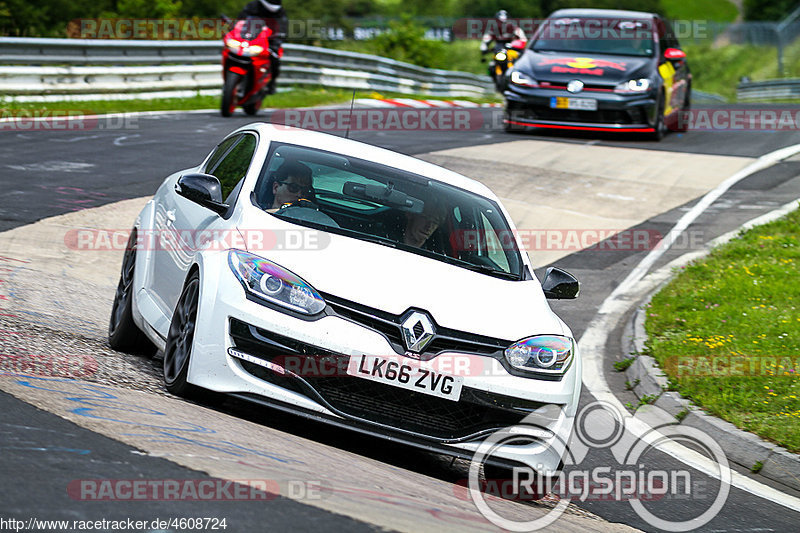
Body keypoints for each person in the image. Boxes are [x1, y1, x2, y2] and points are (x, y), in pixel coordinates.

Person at [238, 0, 288, 94]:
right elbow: (240, 20)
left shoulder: (280, 12)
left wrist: (277, 40)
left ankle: (271, 83)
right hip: (249, 37)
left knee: (275, 58)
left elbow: (283, 27)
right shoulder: (252, 6)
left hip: (269, 40)